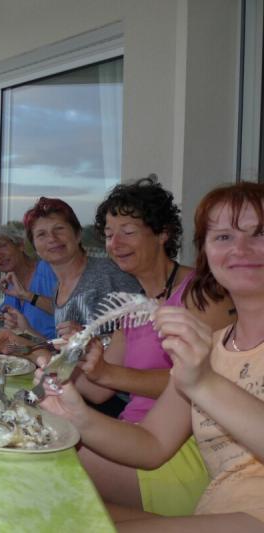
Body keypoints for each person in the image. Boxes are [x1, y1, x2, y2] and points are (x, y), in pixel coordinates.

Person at [40, 182, 264, 530]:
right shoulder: (215, 346)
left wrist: (203, 382)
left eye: (259, 233)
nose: (240, 249)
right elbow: (153, 443)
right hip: (217, 506)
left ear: (163, 235)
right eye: (223, 237)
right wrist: (76, 415)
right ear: (206, 250)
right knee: (45, 517)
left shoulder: (200, 319)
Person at [72, 177, 234, 517]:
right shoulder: (135, 305)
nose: (115, 243)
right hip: (133, 436)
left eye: (128, 231)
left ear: (162, 233)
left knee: (45, 460)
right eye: (109, 234)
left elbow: (205, 381)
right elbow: (97, 390)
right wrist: (49, 358)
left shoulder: (202, 293)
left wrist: (107, 373)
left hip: (178, 452)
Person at [0, 197, 140, 357]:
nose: (52, 239)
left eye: (59, 229)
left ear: (78, 234)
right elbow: (64, 354)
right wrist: (27, 330)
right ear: (35, 247)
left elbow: (143, 338)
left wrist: (87, 338)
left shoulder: (109, 275)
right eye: (41, 234)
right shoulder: (59, 288)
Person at [0, 223, 56, 339]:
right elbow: (7, 325)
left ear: (20, 245)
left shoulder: (49, 270)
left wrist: (27, 295)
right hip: (22, 347)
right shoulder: (10, 285)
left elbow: (68, 311)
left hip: (55, 347)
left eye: (3, 246)